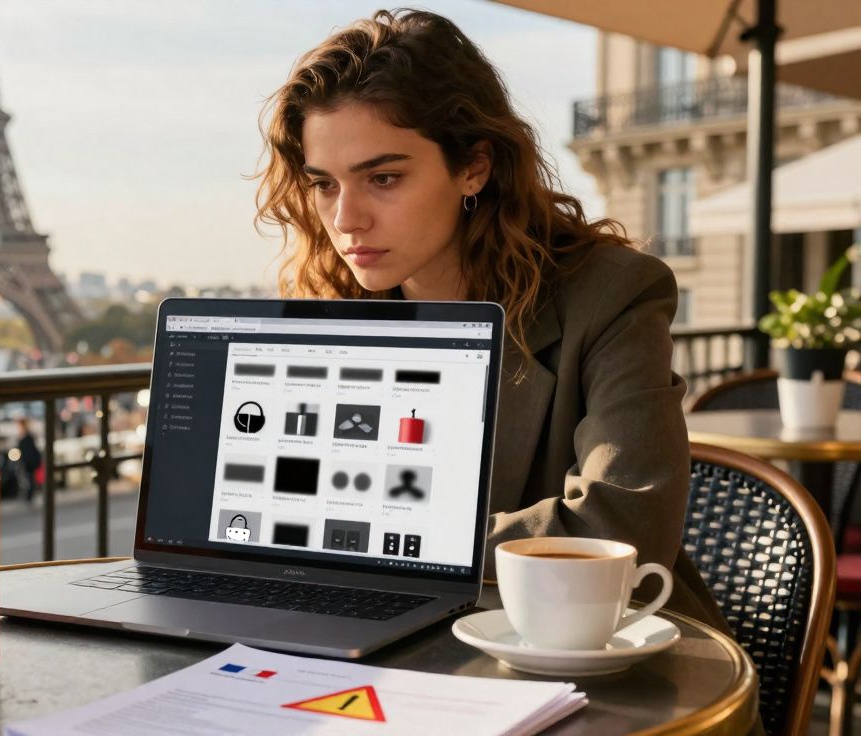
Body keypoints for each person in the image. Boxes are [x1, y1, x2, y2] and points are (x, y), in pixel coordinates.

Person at [254, 9, 724, 631]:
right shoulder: (341, 309)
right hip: (394, 638)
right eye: (324, 184)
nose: (345, 219)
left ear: (474, 166)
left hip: (599, 650)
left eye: (384, 177)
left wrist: (373, 541)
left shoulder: (612, 294)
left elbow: (621, 524)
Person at [15, 417, 43, 503]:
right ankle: (29, 494)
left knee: (28, 478)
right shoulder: (28, 435)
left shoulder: (25, 436)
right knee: (29, 478)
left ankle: (29, 494)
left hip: (28, 461)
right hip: (28, 461)